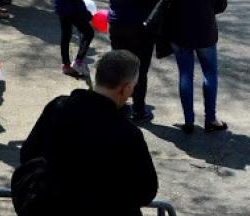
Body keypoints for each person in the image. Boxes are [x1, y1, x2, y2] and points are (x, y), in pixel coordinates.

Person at [16, 50, 157, 216]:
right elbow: (145, 191)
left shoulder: (57, 108)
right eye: (133, 86)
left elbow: (27, 154)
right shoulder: (127, 134)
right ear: (126, 89)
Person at [163, 0, 228, 134]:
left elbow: (164, 3)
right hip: (206, 33)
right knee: (209, 73)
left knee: (185, 75)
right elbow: (221, 5)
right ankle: (211, 120)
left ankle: (189, 121)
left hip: (180, 34)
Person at [102, 0, 160, 124]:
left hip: (117, 24)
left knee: (119, 66)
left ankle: (117, 104)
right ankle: (139, 109)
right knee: (139, 69)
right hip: (140, 27)